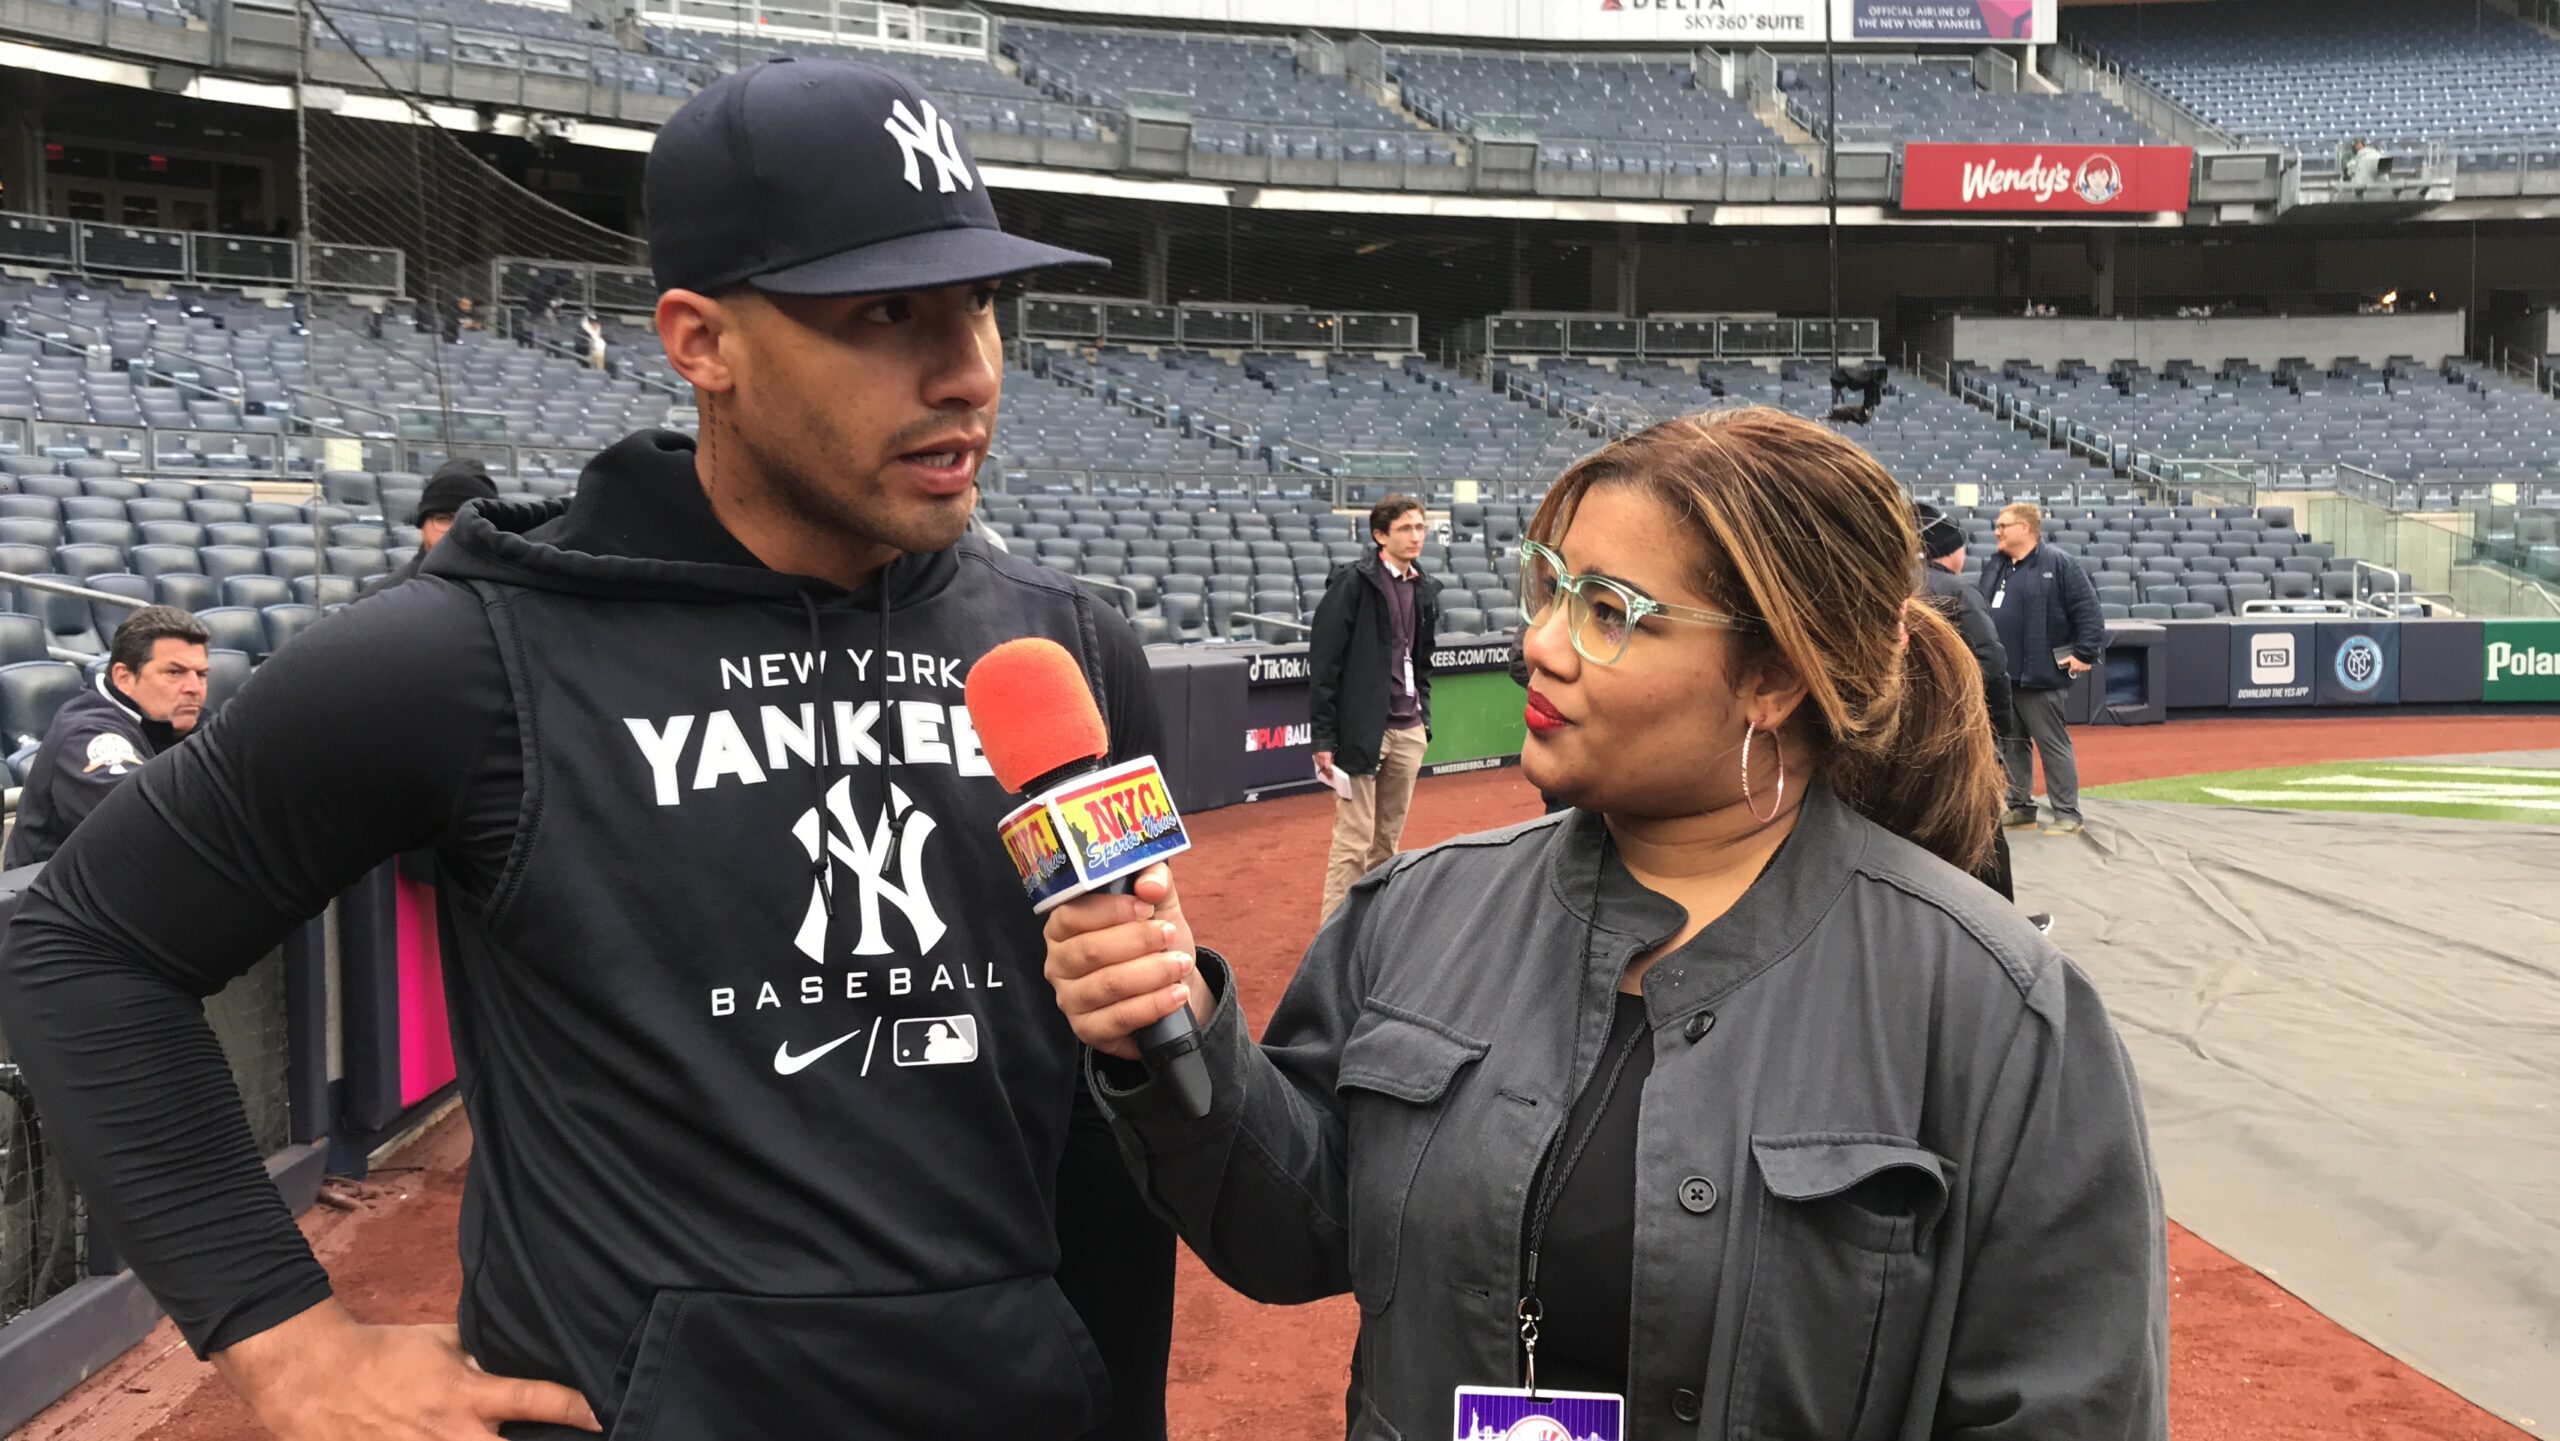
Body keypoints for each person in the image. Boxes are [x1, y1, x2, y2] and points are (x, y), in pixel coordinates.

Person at [0, 57, 1175, 1441]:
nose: (967, 368)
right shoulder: (470, 650)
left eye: (980, 303)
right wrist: (282, 1336)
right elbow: (79, 947)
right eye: (886, 313)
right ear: (700, 342)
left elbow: (1108, 1118)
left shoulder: (1066, 648)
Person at [1042, 407, 2167, 1440]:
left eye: (1608, 611)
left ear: (1772, 676)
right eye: (1546, 586)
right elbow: (1288, 1229)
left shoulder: (1998, 1011)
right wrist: (1176, 1024)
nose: (1539, 639)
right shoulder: (1419, 911)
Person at [1308, 494, 1440, 920]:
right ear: (1380, 535)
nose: (1415, 536)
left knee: (1386, 842)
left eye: (1420, 527)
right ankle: (1332, 938)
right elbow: (1325, 663)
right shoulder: (1353, 583)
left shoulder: (1424, 588)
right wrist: (1325, 737)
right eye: (1405, 528)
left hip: (1407, 730)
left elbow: (1422, 662)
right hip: (1360, 731)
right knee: (1353, 840)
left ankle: (1373, 929)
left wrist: (1424, 722)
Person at [3, 606, 209, 869]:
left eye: (201, 675)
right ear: (124, 677)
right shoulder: (87, 736)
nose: (194, 688)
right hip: (55, 903)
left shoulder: (180, 722)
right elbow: (152, 833)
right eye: (174, 673)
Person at [1912, 502, 2021, 901]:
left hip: (1895, 733)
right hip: (1956, 731)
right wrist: (1998, 736)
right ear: (1950, 550)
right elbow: (1991, 663)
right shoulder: (1957, 589)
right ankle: (2001, 924)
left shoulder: (1883, 584)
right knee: (1980, 829)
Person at [1978, 501, 2105, 835]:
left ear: (2025, 528)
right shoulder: (1997, 567)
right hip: (2004, 676)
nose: (1997, 531)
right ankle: (2021, 807)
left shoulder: (2058, 563)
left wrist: (2085, 653)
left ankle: (2067, 814)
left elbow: (2088, 611)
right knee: (2011, 743)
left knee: (2052, 743)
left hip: (2042, 676)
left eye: (2003, 526)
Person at [359, 458, 499, 599]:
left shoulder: (513, 596)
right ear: (422, 525)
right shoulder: (379, 600)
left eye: (470, 520)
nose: (456, 530)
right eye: (444, 519)